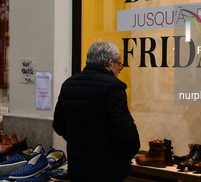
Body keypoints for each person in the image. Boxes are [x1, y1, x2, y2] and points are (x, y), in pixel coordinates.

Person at [53, 41, 140, 182]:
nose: (119, 70)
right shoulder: (113, 86)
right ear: (110, 63)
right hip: (107, 168)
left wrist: (80, 141)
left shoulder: (69, 83)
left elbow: (58, 124)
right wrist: (131, 150)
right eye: (119, 65)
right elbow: (124, 129)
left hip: (78, 167)